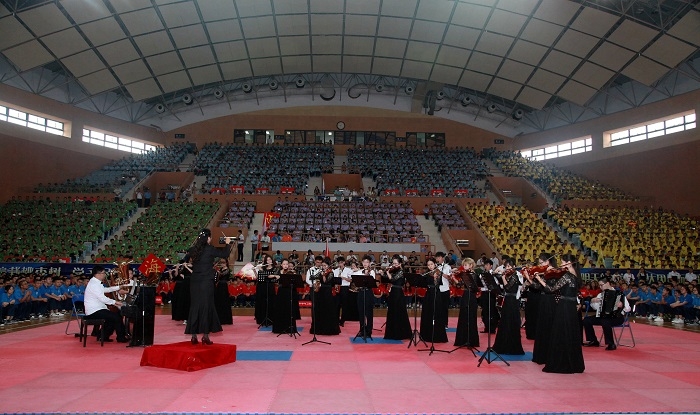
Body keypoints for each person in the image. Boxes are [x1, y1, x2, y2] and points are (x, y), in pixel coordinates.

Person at [527, 254, 585, 373]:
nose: (561, 265)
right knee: (570, 333)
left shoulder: (567, 276)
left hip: (564, 306)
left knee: (560, 332)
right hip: (571, 307)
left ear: (569, 263)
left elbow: (551, 289)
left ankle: (562, 361)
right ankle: (573, 362)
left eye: (562, 262)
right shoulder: (576, 275)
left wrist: (539, 279)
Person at [181, 229, 234, 345]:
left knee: (195, 306)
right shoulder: (210, 249)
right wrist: (227, 243)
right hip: (206, 281)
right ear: (208, 238)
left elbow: (184, 259)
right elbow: (225, 254)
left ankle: (193, 336)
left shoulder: (192, 249)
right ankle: (205, 336)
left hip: (195, 281)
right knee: (206, 306)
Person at [582, 276, 631, 350]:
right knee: (586, 320)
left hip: (617, 317)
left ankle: (611, 343)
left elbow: (628, 309)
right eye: (599, 285)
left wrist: (622, 305)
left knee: (605, 321)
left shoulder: (619, 294)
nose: (600, 287)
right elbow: (596, 308)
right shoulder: (600, 295)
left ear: (607, 283)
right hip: (603, 316)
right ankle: (593, 340)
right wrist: (593, 301)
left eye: (602, 285)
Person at [83, 265, 128, 343]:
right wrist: (115, 302)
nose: (105, 275)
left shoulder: (95, 282)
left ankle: (103, 336)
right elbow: (102, 298)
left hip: (98, 309)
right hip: (94, 311)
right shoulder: (94, 284)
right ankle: (121, 338)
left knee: (114, 316)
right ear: (98, 274)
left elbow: (105, 290)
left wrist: (118, 287)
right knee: (116, 317)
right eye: (103, 273)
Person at [492, 258, 524, 355]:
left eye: (509, 266)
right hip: (508, 300)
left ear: (514, 266)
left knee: (511, 321)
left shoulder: (515, 276)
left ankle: (510, 346)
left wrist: (502, 277)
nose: (507, 268)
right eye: (506, 266)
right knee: (505, 322)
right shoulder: (509, 275)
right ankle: (503, 344)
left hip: (512, 301)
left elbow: (508, 288)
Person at [307, 256, 340, 335]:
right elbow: (314, 277)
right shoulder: (321, 271)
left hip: (328, 292)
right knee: (320, 309)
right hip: (320, 292)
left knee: (328, 309)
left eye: (325, 265)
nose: (323, 267)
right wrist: (316, 276)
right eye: (322, 265)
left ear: (328, 265)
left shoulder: (331, 272)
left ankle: (328, 328)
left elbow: (326, 281)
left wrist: (323, 275)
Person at [452, 257, 480, 348]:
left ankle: (471, 340)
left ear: (471, 265)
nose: (464, 267)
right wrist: (454, 279)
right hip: (465, 296)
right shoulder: (464, 274)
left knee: (471, 317)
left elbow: (474, 287)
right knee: (463, 316)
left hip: (471, 296)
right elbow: (460, 286)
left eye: (466, 265)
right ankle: (462, 339)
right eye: (463, 265)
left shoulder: (474, 275)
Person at [383, 255, 412, 340]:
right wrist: (384, 272)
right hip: (393, 292)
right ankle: (392, 333)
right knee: (392, 311)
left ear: (400, 264)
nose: (394, 265)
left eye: (396, 263)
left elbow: (392, 279)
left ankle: (400, 333)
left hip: (398, 292)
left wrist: (388, 272)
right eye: (393, 263)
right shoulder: (395, 270)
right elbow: (386, 278)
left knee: (399, 311)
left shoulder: (401, 271)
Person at [420, 258, 448, 343]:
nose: (430, 266)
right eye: (428, 265)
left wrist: (435, 278)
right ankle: (426, 335)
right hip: (428, 294)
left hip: (436, 293)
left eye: (431, 264)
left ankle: (436, 336)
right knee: (427, 312)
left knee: (436, 313)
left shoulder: (438, 272)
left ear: (435, 264)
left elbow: (437, 284)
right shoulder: (427, 273)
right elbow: (424, 283)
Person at [271, 259, 300, 334]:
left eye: (287, 264)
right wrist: (276, 276)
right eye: (284, 264)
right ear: (281, 265)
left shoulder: (291, 272)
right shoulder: (278, 272)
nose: (285, 266)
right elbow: (274, 281)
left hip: (289, 292)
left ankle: (290, 327)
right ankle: (279, 328)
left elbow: (296, 283)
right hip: (281, 292)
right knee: (280, 309)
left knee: (289, 309)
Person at [355, 256, 376, 338]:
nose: (365, 264)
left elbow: (371, 282)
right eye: (364, 262)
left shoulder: (372, 272)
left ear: (370, 263)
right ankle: (362, 329)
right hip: (361, 292)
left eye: (367, 262)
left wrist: (367, 274)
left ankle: (369, 331)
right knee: (361, 312)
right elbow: (355, 281)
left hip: (368, 292)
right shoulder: (359, 272)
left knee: (369, 312)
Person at [254, 254, 277, 326]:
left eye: (270, 259)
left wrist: (262, 271)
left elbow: (272, 277)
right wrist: (255, 271)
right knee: (263, 302)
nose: (269, 261)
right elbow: (259, 278)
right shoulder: (263, 268)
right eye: (267, 260)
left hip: (270, 286)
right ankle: (262, 318)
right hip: (262, 286)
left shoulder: (275, 268)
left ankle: (271, 319)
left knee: (270, 302)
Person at [214, 258, 233, 325]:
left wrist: (217, 270)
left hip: (224, 285)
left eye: (223, 263)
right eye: (221, 263)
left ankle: (225, 319)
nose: (222, 264)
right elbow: (217, 278)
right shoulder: (220, 269)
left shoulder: (227, 270)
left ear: (226, 263)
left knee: (224, 300)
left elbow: (222, 275)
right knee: (219, 301)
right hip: (219, 285)